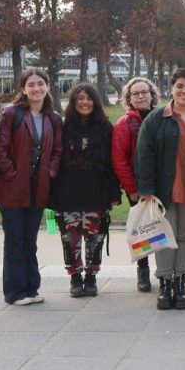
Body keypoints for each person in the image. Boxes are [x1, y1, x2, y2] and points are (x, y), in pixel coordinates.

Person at [0, 68, 63, 306]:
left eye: (40, 83)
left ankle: (32, 287)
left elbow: (57, 151)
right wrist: (11, 174)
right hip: (12, 187)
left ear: (48, 86)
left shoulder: (53, 118)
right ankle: (15, 291)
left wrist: (50, 172)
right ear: (23, 88)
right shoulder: (12, 114)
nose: (36, 88)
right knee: (14, 239)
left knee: (29, 239)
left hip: (38, 187)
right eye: (31, 84)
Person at [136, 68, 185, 310]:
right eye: (179, 86)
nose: (184, 91)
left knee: (184, 236)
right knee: (165, 237)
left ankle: (180, 283)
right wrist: (145, 189)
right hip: (164, 190)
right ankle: (165, 284)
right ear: (171, 89)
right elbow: (144, 155)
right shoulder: (157, 118)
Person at [51, 83, 120, 298]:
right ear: (73, 102)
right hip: (67, 194)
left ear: (95, 102)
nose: (84, 102)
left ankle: (91, 276)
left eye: (88, 98)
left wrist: (114, 193)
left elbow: (112, 163)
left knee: (94, 239)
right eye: (79, 98)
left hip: (96, 193)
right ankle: (74, 276)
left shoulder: (106, 128)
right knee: (70, 239)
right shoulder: (62, 127)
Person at [112, 76, 160, 292]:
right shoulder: (124, 124)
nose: (140, 96)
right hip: (138, 188)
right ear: (129, 99)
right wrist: (132, 189)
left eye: (144, 92)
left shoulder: (162, 117)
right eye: (135, 93)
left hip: (162, 185)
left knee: (163, 230)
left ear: (152, 95)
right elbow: (119, 159)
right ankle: (143, 271)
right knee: (142, 233)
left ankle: (165, 270)